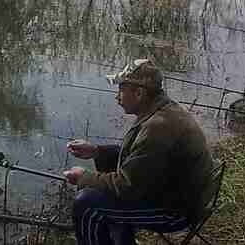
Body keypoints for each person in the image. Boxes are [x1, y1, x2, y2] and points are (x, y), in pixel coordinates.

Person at [63, 59, 214, 245]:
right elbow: (140, 159)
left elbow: (127, 187)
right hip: (178, 195)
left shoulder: (158, 127)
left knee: (86, 204)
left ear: (139, 93)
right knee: (107, 177)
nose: (117, 97)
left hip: (177, 212)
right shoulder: (163, 110)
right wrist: (96, 152)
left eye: (121, 90)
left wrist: (83, 177)